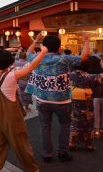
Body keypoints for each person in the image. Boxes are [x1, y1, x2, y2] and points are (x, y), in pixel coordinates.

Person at [0, 47, 48, 172]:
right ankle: (32, 169)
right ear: (10, 62)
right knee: (20, 140)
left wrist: (8, 50)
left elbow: (0, 59)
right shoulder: (12, 75)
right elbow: (32, 65)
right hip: (11, 114)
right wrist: (43, 52)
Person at [25, 33, 89, 163]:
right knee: (65, 125)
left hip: (42, 99)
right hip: (62, 100)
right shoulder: (64, 59)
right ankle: (63, 152)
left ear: (44, 46)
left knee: (45, 126)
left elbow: (28, 53)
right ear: (59, 47)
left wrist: (36, 41)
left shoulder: (38, 58)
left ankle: (47, 154)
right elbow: (83, 57)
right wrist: (87, 40)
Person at [69, 56, 103, 151]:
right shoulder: (90, 76)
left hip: (73, 100)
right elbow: (102, 79)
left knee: (74, 122)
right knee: (88, 123)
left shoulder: (69, 75)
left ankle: (72, 142)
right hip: (86, 102)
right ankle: (88, 144)